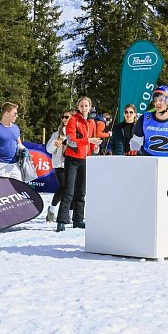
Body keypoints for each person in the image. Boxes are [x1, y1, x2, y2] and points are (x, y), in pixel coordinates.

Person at [55, 97, 101, 233]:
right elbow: (71, 141)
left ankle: (78, 220)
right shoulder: (73, 120)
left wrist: (95, 148)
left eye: (86, 106)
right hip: (72, 159)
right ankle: (61, 221)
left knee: (81, 192)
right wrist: (89, 140)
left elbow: (92, 143)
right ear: (78, 107)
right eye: (81, 106)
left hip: (86, 159)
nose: (84, 108)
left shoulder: (92, 122)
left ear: (90, 106)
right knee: (69, 191)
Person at [44, 109, 75, 222]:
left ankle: (70, 214)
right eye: (63, 117)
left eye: (67, 117)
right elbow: (48, 149)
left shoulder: (75, 132)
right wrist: (56, 144)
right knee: (63, 187)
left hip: (73, 163)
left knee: (73, 189)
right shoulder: (56, 134)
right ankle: (52, 210)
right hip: (60, 165)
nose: (64, 119)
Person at [0, 102, 27, 180]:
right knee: (2, 191)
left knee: (18, 190)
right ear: (7, 113)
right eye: (14, 114)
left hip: (15, 165)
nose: (17, 116)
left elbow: (19, 143)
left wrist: (24, 149)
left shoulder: (16, 128)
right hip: (0, 165)